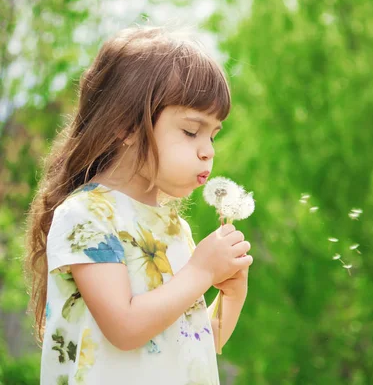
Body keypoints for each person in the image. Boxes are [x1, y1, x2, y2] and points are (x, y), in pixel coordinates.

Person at [23, 25, 253, 385]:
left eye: (213, 134)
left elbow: (189, 343)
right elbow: (126, 328)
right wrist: (201, 272)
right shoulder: (86, 215)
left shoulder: (174, 228)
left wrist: (232, 296)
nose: (208, 149)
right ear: (127, 125)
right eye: (191, 131)